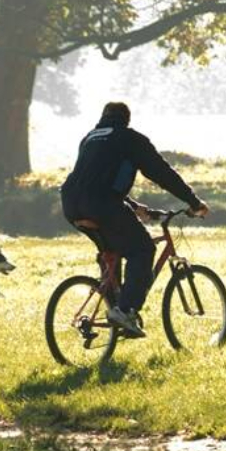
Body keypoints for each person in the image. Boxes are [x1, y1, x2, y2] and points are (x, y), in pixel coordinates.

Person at [61, 102, 209, 338]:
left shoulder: (90, 137)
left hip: (71, 204)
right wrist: (193, 202)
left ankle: (112, 301)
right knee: (142, 249)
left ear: (103, 117)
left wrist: (133, 205)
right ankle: (126, 311)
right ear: (127, 119)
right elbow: (161, 173)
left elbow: (96, 179)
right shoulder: (129, 139)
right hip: (102, 204)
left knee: (113, 249)